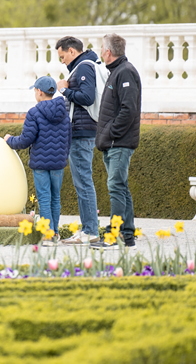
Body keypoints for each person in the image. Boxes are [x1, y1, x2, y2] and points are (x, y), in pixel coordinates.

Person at [4, 75, 70, 246]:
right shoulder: (64, 111)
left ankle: (48, 235)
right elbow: (68, 138)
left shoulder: (34, 113)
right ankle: (55, 233)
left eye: (35, 90)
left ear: (39, 92)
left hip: (40, 164)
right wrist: (63, 157)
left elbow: (25, 140)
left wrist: (9, 140)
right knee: (55, 198)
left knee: (45, 199)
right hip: (58, 163)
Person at [90, 33, 142, 251]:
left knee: (116, 187)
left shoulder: (125, 72)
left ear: (108, 52)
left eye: (102, 48)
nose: (101, 52)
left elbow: (128, 110)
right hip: (113, 143)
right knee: (121, 187)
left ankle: (115, 235)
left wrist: (111, 133)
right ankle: (127, 235)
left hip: (119, 143)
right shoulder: (117, 71)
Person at [54, 36, 100, 245]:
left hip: (82, 133)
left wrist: (64, 90)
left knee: (83, 182)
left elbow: (87, 97)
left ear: (72, 51)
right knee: (82, 182)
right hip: (82, 131)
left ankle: (90, 231)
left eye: (62, 56)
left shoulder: (83, 67)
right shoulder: (84, 66)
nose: (62, 61)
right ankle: (87, 229)